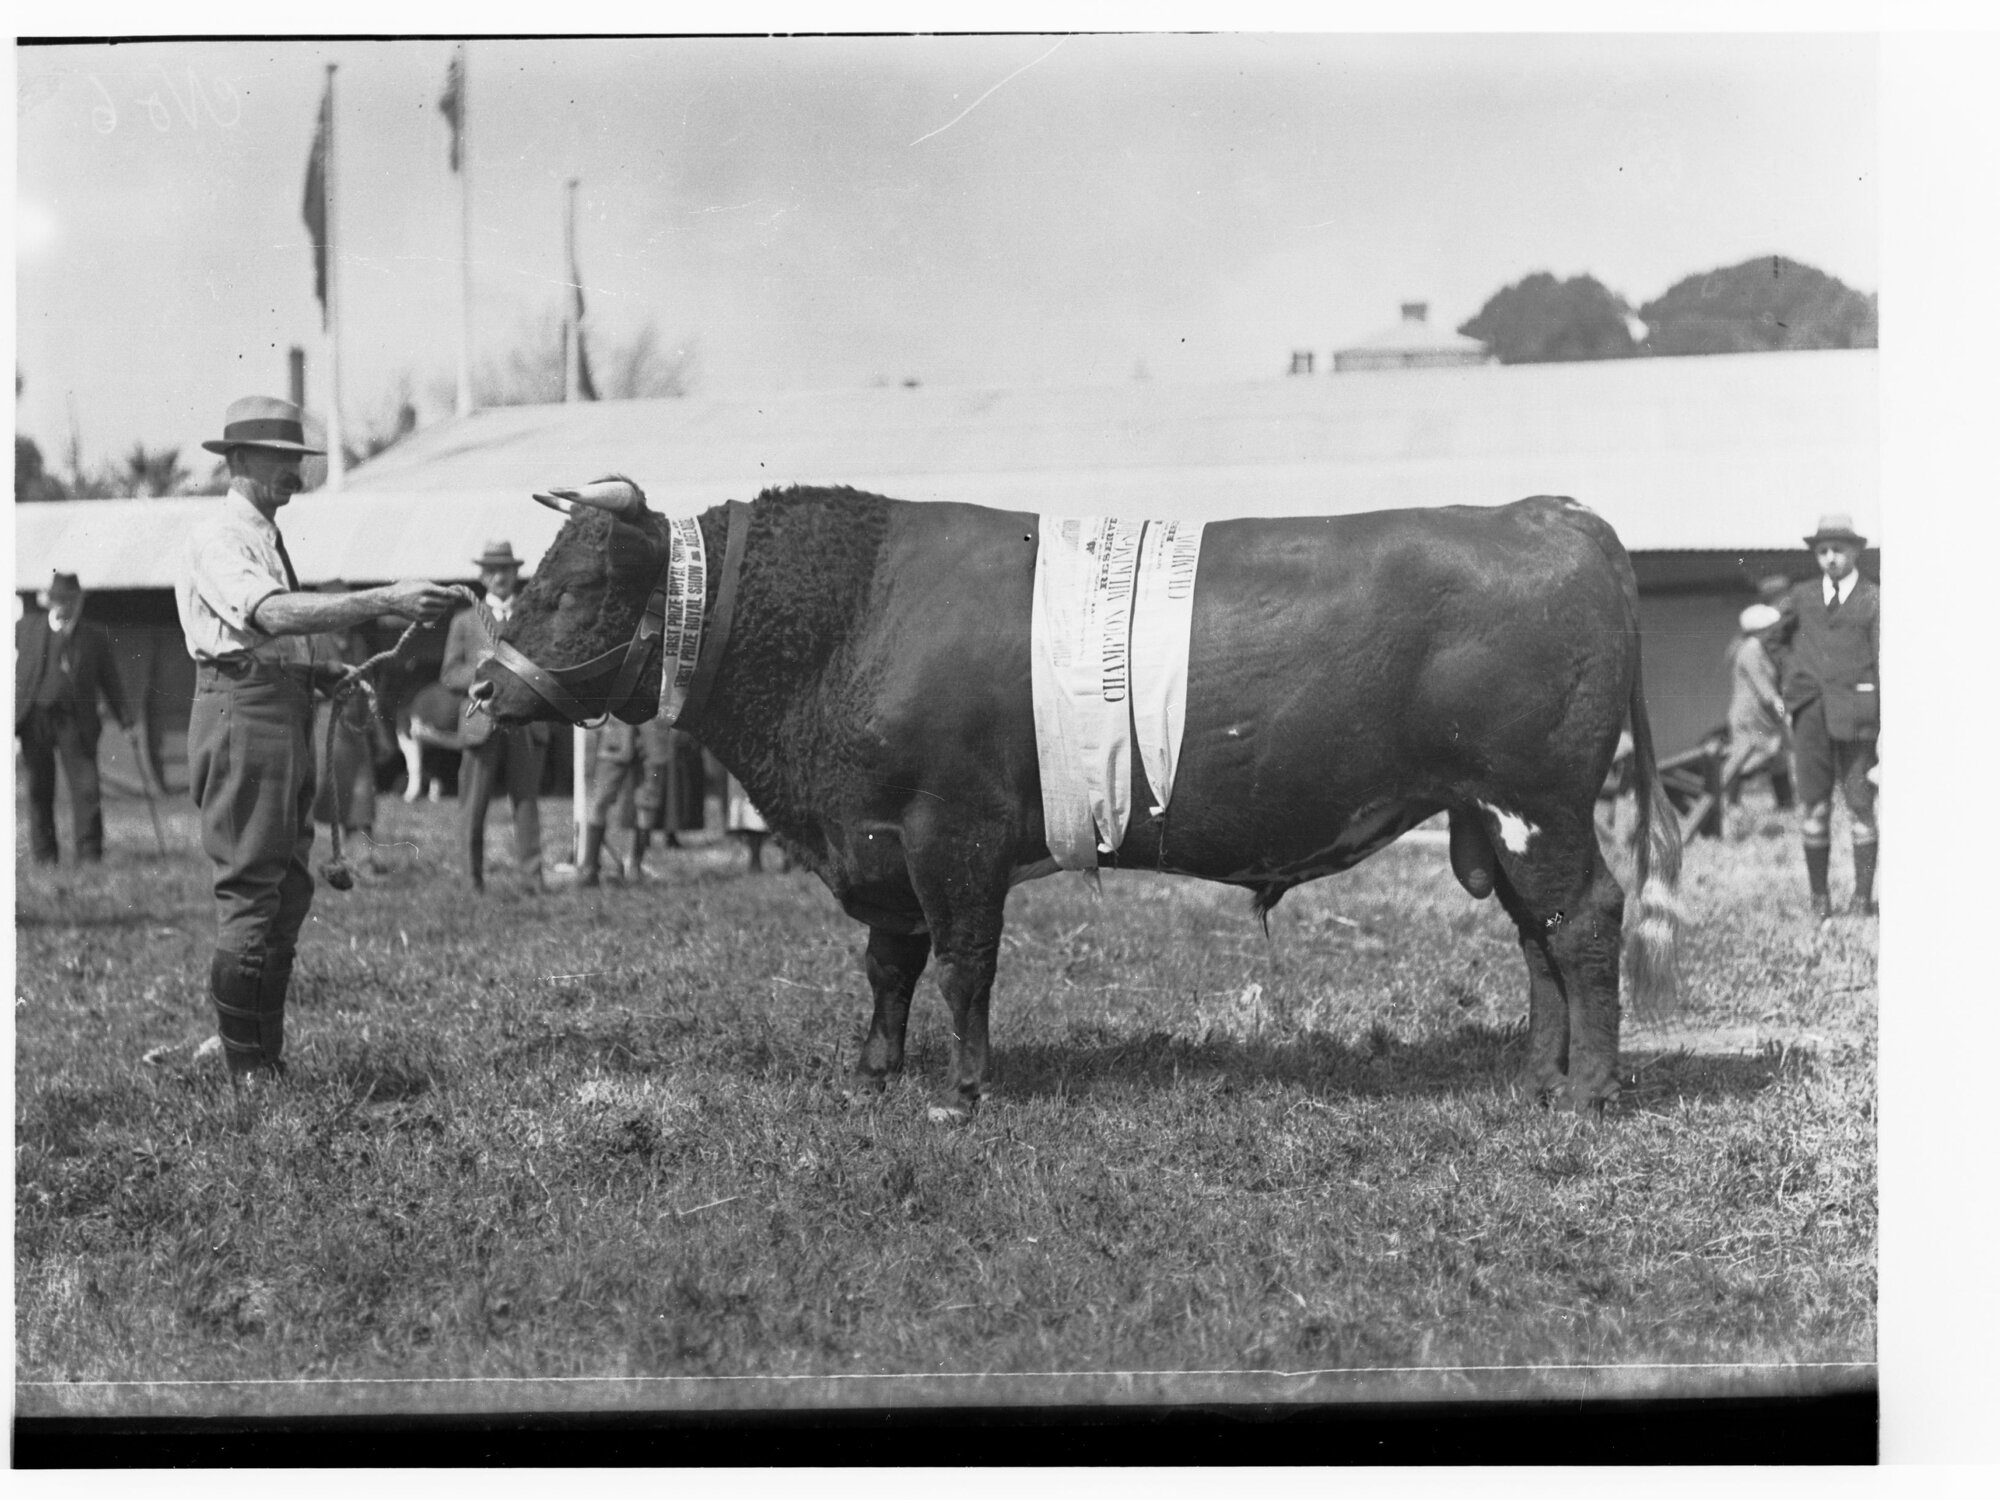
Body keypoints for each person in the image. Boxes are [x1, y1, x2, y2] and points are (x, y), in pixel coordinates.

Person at [178, 395, 455, 1087]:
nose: (291, 473)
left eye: (297, 460)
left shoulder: (266, 537)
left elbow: (265, 633)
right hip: (243, 714)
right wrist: (382, 601)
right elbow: (265, 613)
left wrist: (320, 669)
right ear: (236, 461)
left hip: (280, 704)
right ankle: (248, 1069)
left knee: (289, 887)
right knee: (251, 889)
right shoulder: (219, 537)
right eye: (278, 459)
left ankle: (263, 1054)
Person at [1774, 513, 1880, 921]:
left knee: (1859, 804)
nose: (1831, 558)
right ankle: (1820, 900)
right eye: (1823, 551)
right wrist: (1794, 676)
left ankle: (1861, 900)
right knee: (1814, 805)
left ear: (1855, 552)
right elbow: (1773, 639)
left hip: (1857, 716)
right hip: (1811, 715)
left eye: (1839, 550)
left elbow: (1884, 658)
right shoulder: (1801, 596)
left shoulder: (1873, 598)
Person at [440, 540, 550, 893]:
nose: (499, 576)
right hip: (480, 723)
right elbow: (449, 673)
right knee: (472, 806)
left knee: (526, 802)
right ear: (482, 577)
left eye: (505, 569)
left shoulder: (532, 617)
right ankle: (472, 882)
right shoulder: (465, 621)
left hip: (523, 724)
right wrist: (480, 679)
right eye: (492, 570)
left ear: (516, 573)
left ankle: (531, 880)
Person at [14, 570, 133, 864]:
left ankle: (90, 855)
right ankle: (45, 857)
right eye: (60, 600)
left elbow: (111, 681)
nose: (66, 606)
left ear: (79, 602)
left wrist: (127, 722)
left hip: (76, 722)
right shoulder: (26, 628)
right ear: (50, 601)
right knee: (40, 790)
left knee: (86, 789)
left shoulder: (93, 636)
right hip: (36, 719)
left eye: (72, 600)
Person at [306, 581, 386, 868]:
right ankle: (304, 856)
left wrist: (380, 734)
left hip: (356, 726)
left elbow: (369, 685)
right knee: (319, 788)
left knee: (362, 793)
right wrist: (328, 690)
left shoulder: (358, 642)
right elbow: (302, 685)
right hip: (324, 724)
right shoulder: (313, 640)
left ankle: (362, 857)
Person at [1718, 602, 1793, 820]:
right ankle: (1728, 805)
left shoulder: (1759, 648)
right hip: (1750, 716)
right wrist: (1781, 709)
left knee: (1777, 757)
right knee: (1742, 758)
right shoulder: (1750, 649)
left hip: (1763, 715)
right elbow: (1763, 687)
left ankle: (1786, 806)